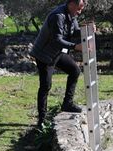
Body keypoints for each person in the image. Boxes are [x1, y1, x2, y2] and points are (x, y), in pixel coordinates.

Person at [30, 0, 87, 128]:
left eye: (81, 9)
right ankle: (42, 120)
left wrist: (86, 29)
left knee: (75, 71)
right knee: (46, 86)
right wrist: (75, 47)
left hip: (57, 52)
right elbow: (57, 40)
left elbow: (73, 32)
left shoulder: (72, 16)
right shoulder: (57, 16)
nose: (80, 11)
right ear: (71, 4)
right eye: (79, 8)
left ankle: (67, 103)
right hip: (44, 55)